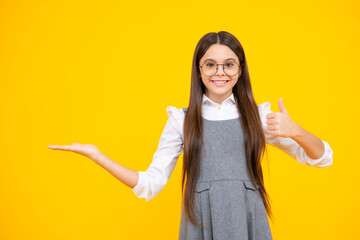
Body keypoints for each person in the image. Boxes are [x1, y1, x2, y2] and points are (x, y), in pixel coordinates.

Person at [48, 31, 333, 240]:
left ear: (240, 70)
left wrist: (296, 131)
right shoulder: (181, 120)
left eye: (229, 64)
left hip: (249, 224)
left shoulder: (259, 116)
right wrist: (97, 155)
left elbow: (322, 158)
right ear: (199, 70)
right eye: (210, 64)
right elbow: (149, 184)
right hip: (201, 226)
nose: (219, 72)